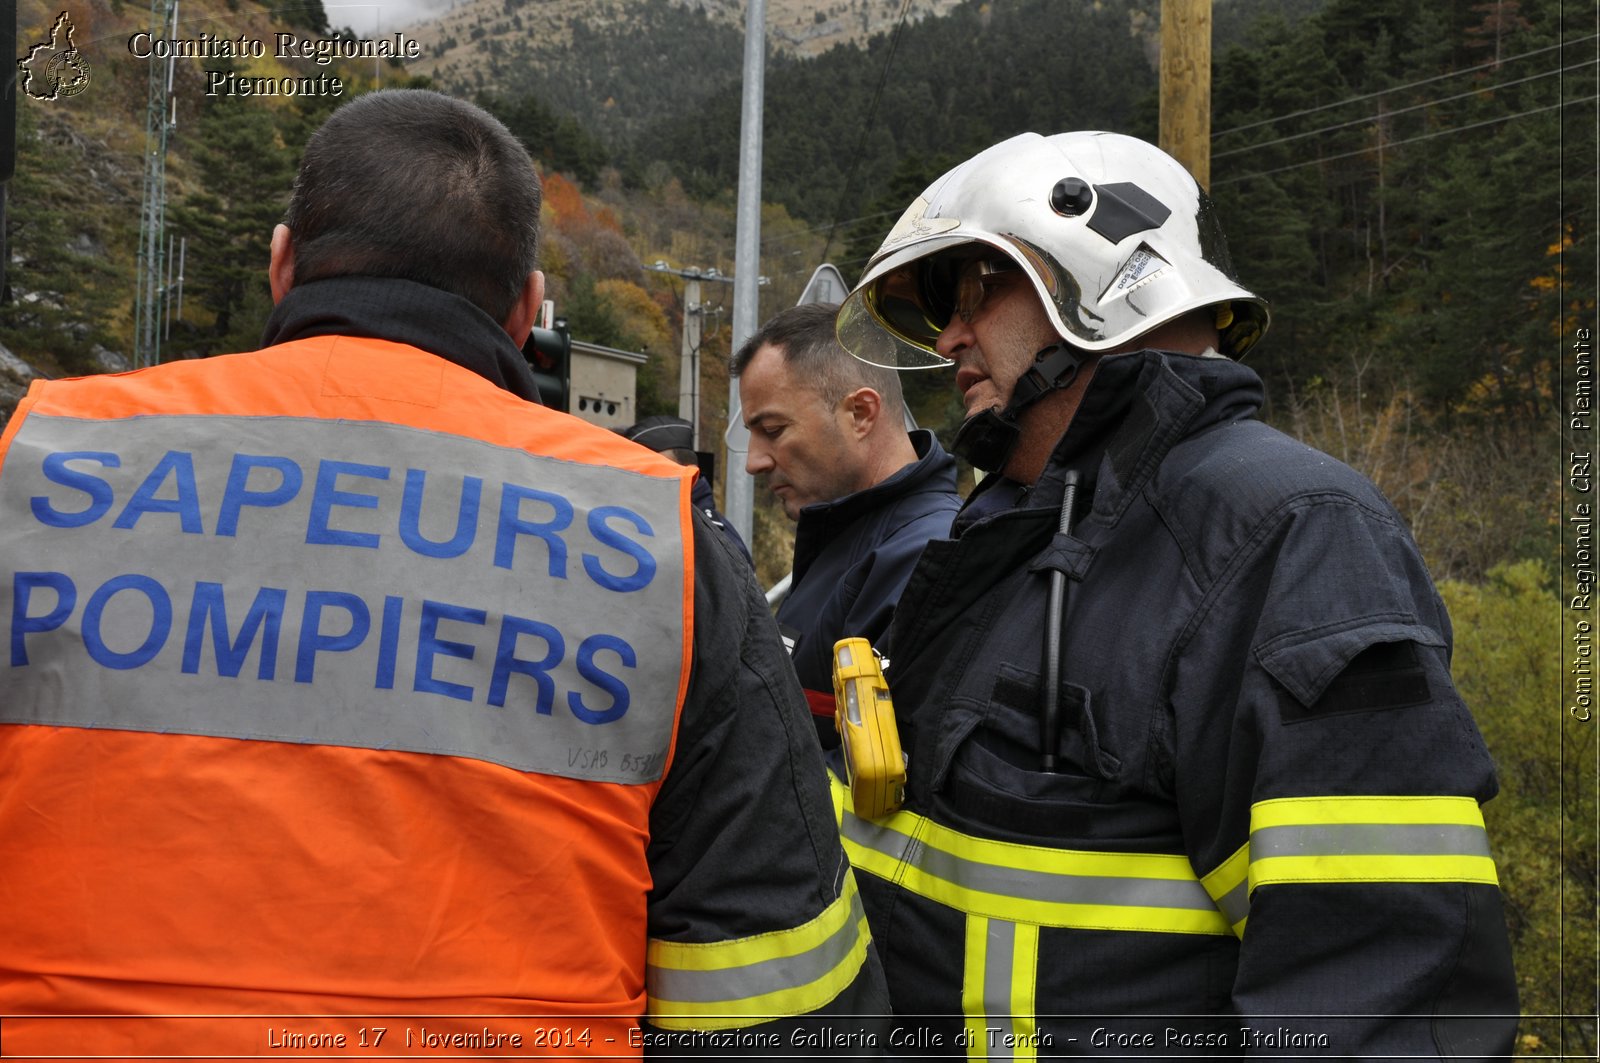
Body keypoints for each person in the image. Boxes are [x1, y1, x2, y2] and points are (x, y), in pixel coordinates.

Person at [0, 89, 886, 1057]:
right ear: (526, 310)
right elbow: (776, 984)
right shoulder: (658, 535)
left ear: (282, 264)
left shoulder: (39, 460)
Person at [831, 130, 1518, 1057]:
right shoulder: (1015, 521)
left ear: (1104, 274)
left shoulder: (1295, 535)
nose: (952, 334)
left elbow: (1382, 994)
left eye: (978, 289)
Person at [732, 302, 960, 745]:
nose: (754, 462)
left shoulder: (929, 560)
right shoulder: (846, 537)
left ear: (861, 414)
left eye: (773, 430)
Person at [620, 414, 752, 564]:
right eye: (639, 474)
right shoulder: (649, 528)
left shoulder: (715, 538)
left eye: (656, 470)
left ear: (690, 471)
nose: (645, 482)